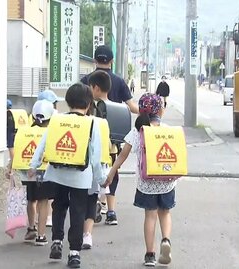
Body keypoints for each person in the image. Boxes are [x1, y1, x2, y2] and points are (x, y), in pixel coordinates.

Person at [29, 83, 104, 268]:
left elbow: (43, 144)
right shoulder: (91, 123)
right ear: (88, 104)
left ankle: (56, 241)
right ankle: (74, 253)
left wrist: (33, 165)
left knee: (59, 207)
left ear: (68, 102)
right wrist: (101, 179)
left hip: (57, 174)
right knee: (78, 212)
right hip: (81, 178)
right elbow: (95, 156)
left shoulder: (56, 120)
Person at [103, 93, 175, 267]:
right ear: (161, 111)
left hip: (146, 183)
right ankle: (166, 240)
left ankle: (150, 255)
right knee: (164, 213)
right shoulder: (167, 130)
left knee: (150, 216)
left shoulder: (138, 131)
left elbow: (123, 155)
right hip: (167, 181)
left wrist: (111, 172)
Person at [81, 45, 139, 225]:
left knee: (89, 171)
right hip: (112, 139)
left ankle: (91, 207)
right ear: (111, 61)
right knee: (112, 171)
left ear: (94, 60)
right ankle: (111, 211)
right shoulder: (119, 82)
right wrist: (150, 114)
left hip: (88, 135)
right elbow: (132, 107)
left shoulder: (85, 80)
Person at [8, 100, 56, 245]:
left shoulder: (24, 131)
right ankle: (41, 236)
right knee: (43, 201)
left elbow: (17, 151)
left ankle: (31, 228)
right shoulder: (50, 132)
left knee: (31, 199)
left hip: (25, 171)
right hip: (44, 171)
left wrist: (9, 168)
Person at [82, 70, 113, 249]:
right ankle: (87, 235)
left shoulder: (85, 118)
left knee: (79, 201)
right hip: (100, 163)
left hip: (80, 164)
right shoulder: (108, 114)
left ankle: (78, 235)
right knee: (92, 199)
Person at [36, 89, 64, 227]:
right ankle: (47, 217)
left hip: (36, 164)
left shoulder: (34, 117)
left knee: (39, 194)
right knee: (50, 192)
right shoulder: (57, 118)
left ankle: (40, 218)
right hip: (51, 160)